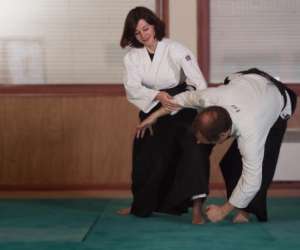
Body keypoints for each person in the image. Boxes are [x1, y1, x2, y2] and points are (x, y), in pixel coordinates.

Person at [136, 68, 297, 223]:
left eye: (204, 140)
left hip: (277, 102)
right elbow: (182, 99)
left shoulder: (251, 132)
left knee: (246, 163)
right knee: (218, 159)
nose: (199, 141)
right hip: (247, 81)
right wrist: (154, 116)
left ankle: (245, 211)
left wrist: (223, 211)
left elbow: (253, 180)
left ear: (223, 136)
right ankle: (198, 201)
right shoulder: (211, 97)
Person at [118, 6, 213, 224]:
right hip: (152, 104)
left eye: (146, 28)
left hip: (184, 105)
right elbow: (132, 88)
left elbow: (199, 84)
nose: (143, 35)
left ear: (154, 25)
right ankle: (140, 205)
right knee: (144, 150)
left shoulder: (176, 48)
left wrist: (173, 100)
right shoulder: (132, 57)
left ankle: (197, 206)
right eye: (137, 32)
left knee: (192, 146)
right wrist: (156, 95)